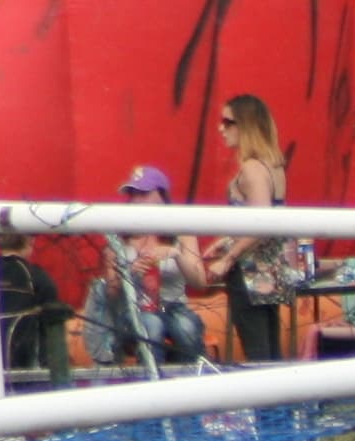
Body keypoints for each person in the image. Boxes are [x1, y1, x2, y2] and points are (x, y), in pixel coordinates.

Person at [83, 169, 206, 371]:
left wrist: (176, 254)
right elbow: (111, 293)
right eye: (133, 194)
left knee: (185, 326)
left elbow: (200, 282)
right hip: (133, 309)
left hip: (173, 306)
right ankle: (151, 380)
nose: (136, 200)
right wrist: (130, 273)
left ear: (162, 196)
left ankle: (194, 380)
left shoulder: (182, 233)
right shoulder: (119, 239)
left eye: (144, 193)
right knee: (152, 325)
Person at [204, 96, 291, 366]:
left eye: (228, 122)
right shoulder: (272, 166)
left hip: (250, 270)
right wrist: (226, 241)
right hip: (272, 268)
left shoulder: (252, 169)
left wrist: (228, 258)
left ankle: (266, 396)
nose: (221, 128)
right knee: (270, 351)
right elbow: (265, 218)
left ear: (247, 125)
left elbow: (261, 223)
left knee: (258, 353)